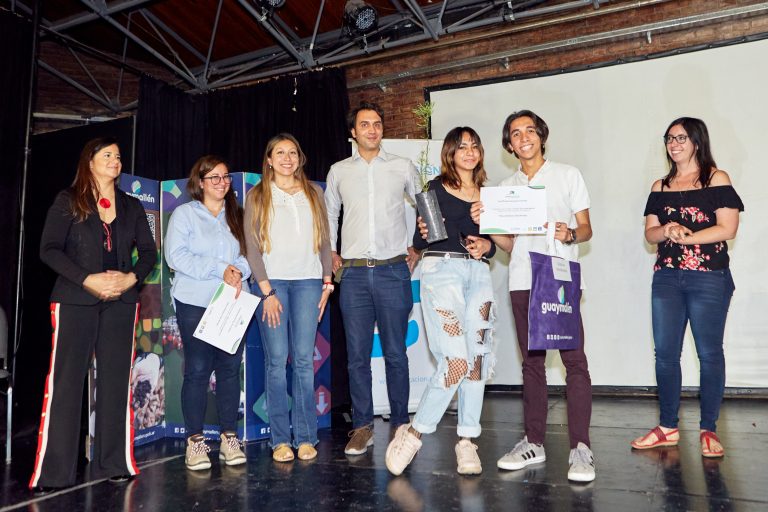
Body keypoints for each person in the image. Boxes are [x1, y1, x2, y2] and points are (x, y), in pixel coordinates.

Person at [472, 110, 596, 482]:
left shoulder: (567, 174)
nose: (523, 137)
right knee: (532, 364)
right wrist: (487, 223)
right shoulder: (505, 187)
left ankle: (581, 447)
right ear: (509, 145)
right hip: (523, 280)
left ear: (541, 136)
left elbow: (586, 229)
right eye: (515, 133)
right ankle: (534, 442)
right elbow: (511, 245)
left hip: (558, 278)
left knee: (574, 361)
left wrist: (569, 234)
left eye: (529, 130)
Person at [30, 137, 155, 493]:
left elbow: (149, 252)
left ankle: (114, 463)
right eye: (107, 155)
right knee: (67, 384)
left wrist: (130, 278)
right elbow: (49, 249)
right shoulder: (68, 200)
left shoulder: (131, 205)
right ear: (90, 161)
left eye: (118, 156)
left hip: (121, 302)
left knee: (116, 383)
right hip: (75, 299)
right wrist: (88, 279)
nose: (116, 160)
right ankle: (54, 472)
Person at [385, 127, 496, 476]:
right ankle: (414, 433)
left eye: (474, 145)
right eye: (462, 146)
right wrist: (420, 236)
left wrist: (487, 243)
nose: (469, 151)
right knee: (456, 362)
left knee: (477, 361)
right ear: (449, 153)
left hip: (479, 274)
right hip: (442, 272)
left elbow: (495, 243)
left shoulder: (490, 195)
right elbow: (423, 239)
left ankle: (467, 440)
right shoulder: (434, 189)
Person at [631, 117, 743, 458]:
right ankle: (667, 427)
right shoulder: (660, 186)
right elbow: (650, 234)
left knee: (709, 354)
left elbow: (727, 228)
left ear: (697, 141)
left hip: (709, 277)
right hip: (667, 277)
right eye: (669, 138)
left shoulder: (716, 178)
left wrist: (688, 237)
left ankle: (709, 429)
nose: (674, 143)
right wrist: (666, 231)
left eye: (681, 137)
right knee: (665, 354)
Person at [325, 101, 419, 455]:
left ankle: (400, 425)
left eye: (377, 124)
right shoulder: (338, 171)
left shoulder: (402, 166)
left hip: (393, 270)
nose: (372, 129)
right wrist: (330, 252)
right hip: (352, 274)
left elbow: (426, 206)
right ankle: (362, 427)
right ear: (353, 132)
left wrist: (418, 246)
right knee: (357, 357)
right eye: (365, 124)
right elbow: (330, 213)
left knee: (396, 353)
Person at [244, 134, 333, 462]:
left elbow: (325, 239)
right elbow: (251, 246)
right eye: (279, 153)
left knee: (304, 362)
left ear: (300, 157)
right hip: (273, 285)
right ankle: (280, 440)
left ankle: (306, 437)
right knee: (277, 361)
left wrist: (327, 282)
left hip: (309, 282)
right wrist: (265, 290)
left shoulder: (314, 193)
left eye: (292, 152)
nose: (287, 158)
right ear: (269, 160)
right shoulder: (257, 194)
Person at [164, 155, 251, 471]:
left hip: (233, 301)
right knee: (198, 370)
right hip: (195, 301)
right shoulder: (185, 214)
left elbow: (250, 254)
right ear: (199, 182)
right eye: (213, 177)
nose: (221, 182)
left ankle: (230, 438)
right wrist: (220, 268)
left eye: (225, 177)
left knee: (229, 370)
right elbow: (176, 256)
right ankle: (195, 441)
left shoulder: (238, 215)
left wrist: (237, 271)